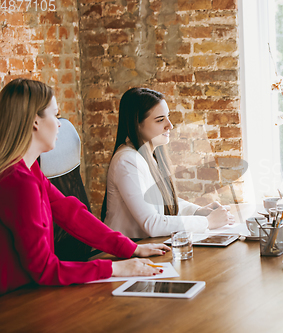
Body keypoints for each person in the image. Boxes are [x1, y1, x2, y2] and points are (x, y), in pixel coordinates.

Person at [0, 79, 168, 295]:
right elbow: (44, 270)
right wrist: (115, 268)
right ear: (35, 122)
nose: (60, 123)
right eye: (56, 115)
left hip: (32, 292)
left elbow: (72, 214)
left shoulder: (30, 172)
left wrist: (131, 248)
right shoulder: (18, 182)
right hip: (15, 302)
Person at [102, 87, 234, 239]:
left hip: (146, 247)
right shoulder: (127, 161)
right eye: (160, 120)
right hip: (125, 253)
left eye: (168, 117)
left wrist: (198, 211)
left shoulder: (148, 155)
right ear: (137, 124)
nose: (169, 125)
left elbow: (161, 203)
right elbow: (152, 223)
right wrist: (207, 222)